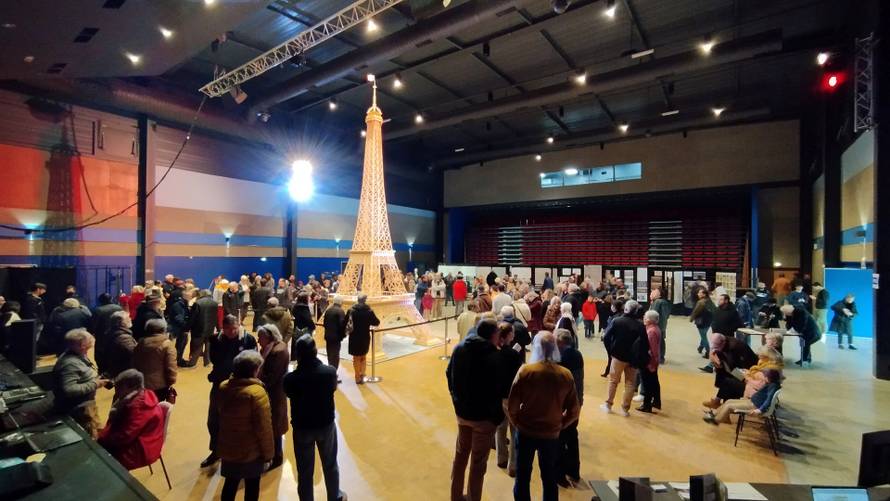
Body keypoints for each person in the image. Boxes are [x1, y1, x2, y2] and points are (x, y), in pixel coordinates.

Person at [508, 331, 580, 501]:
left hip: (526, 430)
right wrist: (560, 424)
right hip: (551, 433)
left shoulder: (526, 371)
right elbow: (574, 410)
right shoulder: (565, 374)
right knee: (549, 477)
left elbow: (512, 406)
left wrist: (517, 423)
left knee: (523, 475)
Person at [284, 335, 347, 501]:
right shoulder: (329, 372)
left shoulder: (290, 379)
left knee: (304, 471)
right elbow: (332, 389)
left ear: (298, 354)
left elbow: (289, 393)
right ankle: (334, 496)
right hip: (325, 424)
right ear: (315, 351)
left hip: (302, 426)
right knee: (330, 464)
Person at [446, 319, 503, 501]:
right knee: (478, 464)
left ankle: (455, 496)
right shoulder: (495, 356)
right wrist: (496, 416)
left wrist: (455, 398)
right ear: (494, 335)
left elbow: (449, 373)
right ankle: (473, 497)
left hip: (462, 413)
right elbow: (499, 388)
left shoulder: (460, 348)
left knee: (460, 456)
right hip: (484, 418)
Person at [201, 314, 258, 468]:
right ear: (223, 328)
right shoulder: (216, 340)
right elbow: (214, 359)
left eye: (234, 328)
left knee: (239, 421)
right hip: (220, 384)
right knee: (213, 419)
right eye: (228, 329)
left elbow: (254, 362)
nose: (232, 332)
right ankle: (216, 450)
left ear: (238, 325)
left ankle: (237, 453)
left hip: (241, 386)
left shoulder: (248, 340)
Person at [217, 350, 274, 501]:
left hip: (228, 447)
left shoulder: (223, 387)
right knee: (252, 487)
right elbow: (264, 428)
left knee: (229, 485)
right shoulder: (257, 393)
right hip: (251, 451)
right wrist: (268, 454)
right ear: (255, 370)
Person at [97, 369, 166, 470]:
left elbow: (125, 436)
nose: (118, 391)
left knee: (101, 457)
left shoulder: (138, 407)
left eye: (120, 388)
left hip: (142, 450)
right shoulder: (142, 395)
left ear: (132, 387)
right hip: (143, 441)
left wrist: (102, 437)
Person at [52, 329, 109, 438]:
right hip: (80, 410)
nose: (91, 347)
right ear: (80, 345)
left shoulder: (76, 354)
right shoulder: (69, 364)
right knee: (91, 436)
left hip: (86, 405)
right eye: (88, 345)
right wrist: (95, 384)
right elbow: (69, 390)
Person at [600, 300, 647, 417]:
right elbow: (645, 344)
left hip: (618, 356)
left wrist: (611, 350)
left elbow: (606, 337)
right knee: (630, 384)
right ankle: (625, 409)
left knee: (613, 381)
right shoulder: (640, 325)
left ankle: (608, 404)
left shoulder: (617, 321)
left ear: (626, 309)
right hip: (633, 359)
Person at [257, 324, 289, 470]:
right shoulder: (273, 347)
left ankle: (277, 457)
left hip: (275, 393)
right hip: (273, 392)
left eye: (260, 338)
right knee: (272, 423)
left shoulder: (277, 352)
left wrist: (258, 379)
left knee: (275, 424)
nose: (258, 341)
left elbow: (272, 376)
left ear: (269, 337)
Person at [555, 329, 584, 487]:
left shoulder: (560, 358)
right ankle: (574, 471)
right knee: (572, 437)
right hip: (576, 402)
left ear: (561, 343)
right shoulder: (577, 355)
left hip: (563, 404)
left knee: (559, 439)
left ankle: (559, 475)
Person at [703, 368, 781, 425]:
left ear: (769, 377)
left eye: (765, 376)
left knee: (729, 406)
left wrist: (759, 410)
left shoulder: (772, 386)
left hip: (754, 406)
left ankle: (716, 420)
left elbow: (769, 400)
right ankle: (715, 413)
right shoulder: (772, 384)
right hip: (752, 401)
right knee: (729, 401)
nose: (764, 378)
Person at [701, 333, 759, 408]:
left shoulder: (737, 347)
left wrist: (739, 375)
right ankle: (718, 402)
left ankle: (723, 406)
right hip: (737, 369)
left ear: (724, 342)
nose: (716, 349)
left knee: (729, 382)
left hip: (749, 374)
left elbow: (744, 368)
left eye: (718, 347)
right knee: (722, 374)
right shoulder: (723, 341)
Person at [495, 322, 522, 477]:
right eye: (512, 332)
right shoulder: (513, 354)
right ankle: (513, 465)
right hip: (511, 396)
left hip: (498, 395)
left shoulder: (495, 352)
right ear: (508, 335)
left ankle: (501, 459)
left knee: (500, 428)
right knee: (514, 430)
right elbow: (518, 375)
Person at [133, 318, 177, 403]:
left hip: (141, 383)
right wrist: (171, 381)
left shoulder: (140, 343)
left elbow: (134, 361)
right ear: (163, 329)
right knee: (157, 407)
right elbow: (171, 366)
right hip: (160, 384)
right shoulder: (167, 345)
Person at [346, 294, 380, 384]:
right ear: (365, 300)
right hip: (365, 337)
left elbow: (345, 323)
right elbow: (377, 322)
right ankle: (363, 374)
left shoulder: (351, 311)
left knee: (355, 358)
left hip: (354, 337)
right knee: (363, 357)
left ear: (358, 300)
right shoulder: (369, 311)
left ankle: (357, 377)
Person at [92, 293, 122, 373]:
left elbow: (94, 325)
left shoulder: (98, 310)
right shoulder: (118, 307)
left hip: (102, 336)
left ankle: (102, 371)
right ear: (111, 299)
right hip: (116, 333)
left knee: (101, 355)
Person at [638, 311, 662, 413]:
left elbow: (652, 349)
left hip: (649, 362)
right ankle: (656, 401)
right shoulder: (654, 329)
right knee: (654, 382)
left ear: (650, 320)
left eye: (646, 317)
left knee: (647, 383)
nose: (644, 318)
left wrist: (651, 363)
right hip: (653, 361)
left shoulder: (651, 331)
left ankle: (647, 405)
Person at [189, 289, 219, 367]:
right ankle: (207, 362)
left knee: (197, 347)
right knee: (208, 346)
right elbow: (216, 317)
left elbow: (193, 317)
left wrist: (188, 327)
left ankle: (192, 363)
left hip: (198, 328)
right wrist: (218, 327)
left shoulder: (197, 303)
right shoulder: (215, 303)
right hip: (210, 328)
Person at [104, 311, 137, 378]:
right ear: (120, 322)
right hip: (126, 371)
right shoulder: (123, 338)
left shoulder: (115, 332)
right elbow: (134, 352)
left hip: (120, 370)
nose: (130, 319)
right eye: (128, 318)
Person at [322, 296, 347, 375]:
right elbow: (342, 325)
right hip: (336, 337)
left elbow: (324, 323)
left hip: (328, 335)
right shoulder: (340, 311)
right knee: (335, 356)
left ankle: (330, 371)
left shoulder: (328, 310)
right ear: (340, 302)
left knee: (329, 354)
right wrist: (343, 335)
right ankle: (333, 374)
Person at [167, 288, 191, 367]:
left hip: (180, 328)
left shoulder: (182, 304)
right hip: (179, 329)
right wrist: (186, 326)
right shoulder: (179, 305)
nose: (191, 296)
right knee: (180, 345)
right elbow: (179, 318)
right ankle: (178, 360)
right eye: (189, 295)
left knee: (182, 343)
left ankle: (179, 359)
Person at [689, 288, 715, 357]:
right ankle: (700, 347)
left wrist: (691, 319)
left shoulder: (701, 302)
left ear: (704, 294)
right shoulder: (709, 301)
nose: (698, 294)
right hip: (709, 321)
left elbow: (695, 312)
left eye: (699, 293)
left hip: (701, 321)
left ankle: (708, 351)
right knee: (703, 334)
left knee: (703, 336)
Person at [648, 288, 671, 364]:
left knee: (660, 342)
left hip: (658, 326)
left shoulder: (660, 302)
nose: (652, 293)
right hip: (656, 326)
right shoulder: (655, 302)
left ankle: (661, 357)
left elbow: (664, 316)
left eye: (655, 292)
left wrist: (662, 327)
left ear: (660, 295)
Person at [292, 293, 315, 360]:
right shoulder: (304, 308)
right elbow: (308, 320)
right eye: (308, 297)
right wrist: (313, 326)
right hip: (304, 330)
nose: (309, 298)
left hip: (296, 328)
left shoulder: (296, 307)